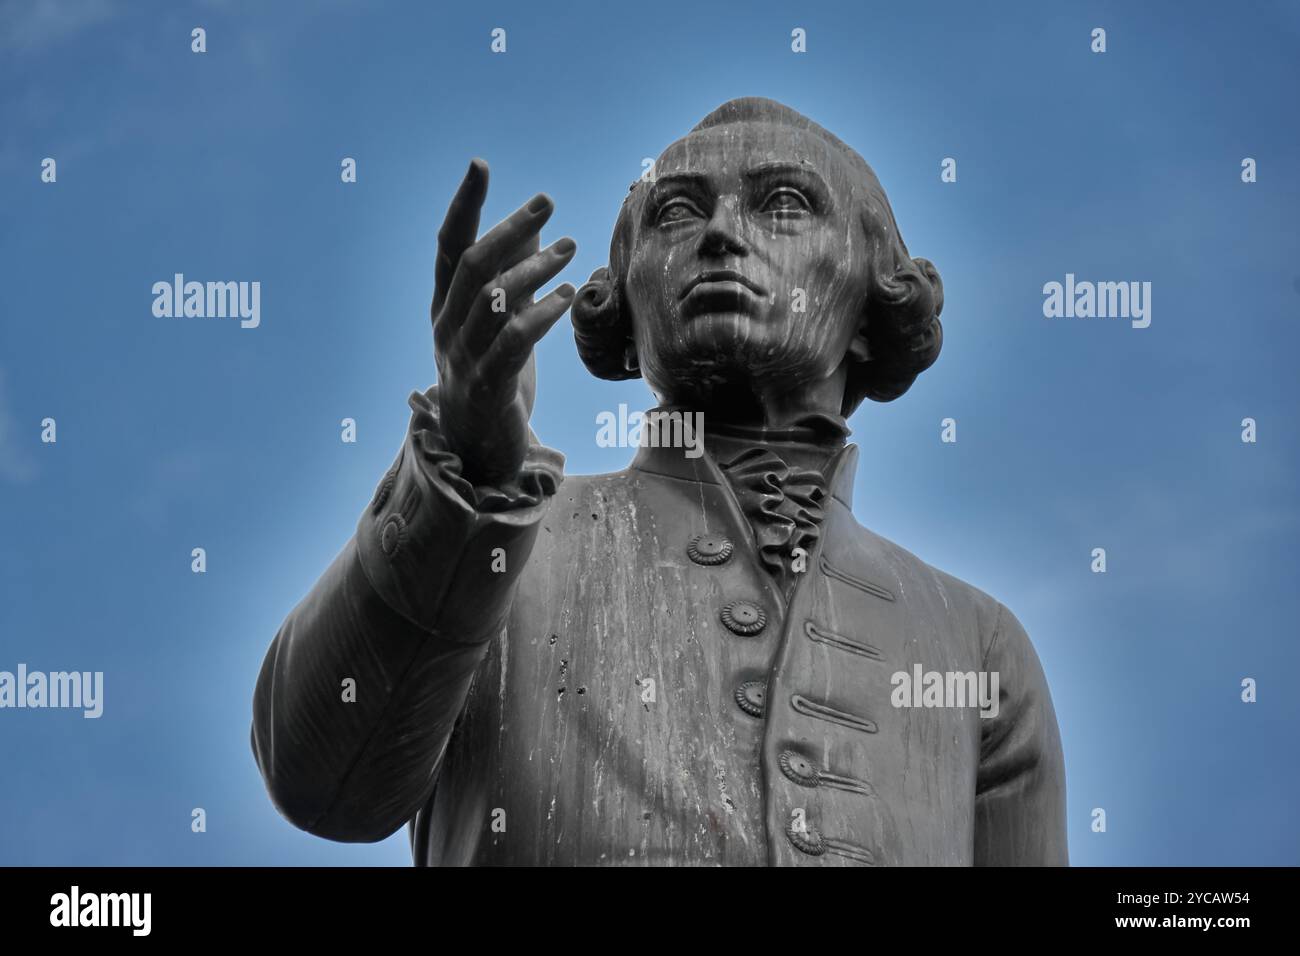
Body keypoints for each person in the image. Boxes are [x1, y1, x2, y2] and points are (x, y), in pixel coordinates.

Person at [251, 97, 1068, 866]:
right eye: (676, 212)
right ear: (628, 319)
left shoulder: (974, 643)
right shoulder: (500, 553)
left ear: (871, 302)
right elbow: (325, 785)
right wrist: (467, 469)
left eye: (782, 202)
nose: (718, 233)